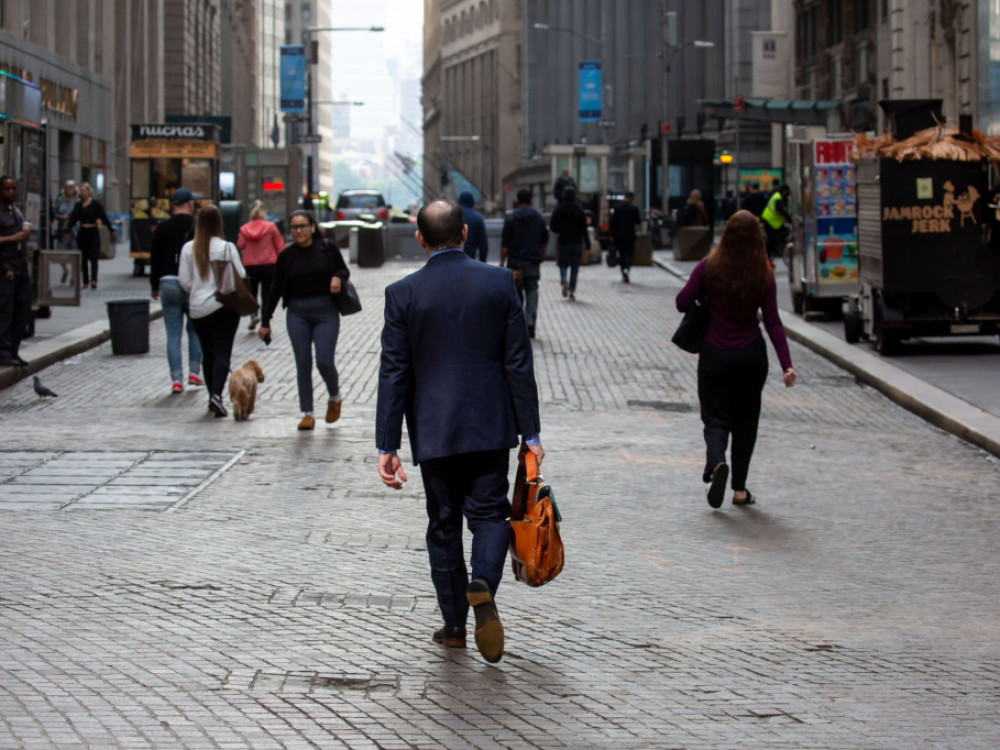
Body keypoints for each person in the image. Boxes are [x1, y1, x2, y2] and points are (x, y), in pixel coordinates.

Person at [375, 199, 543, 664]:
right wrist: (530, 434)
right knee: (489, 516)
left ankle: (453, 627)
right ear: (465, 233)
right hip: (490, 424)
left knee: (443, 524)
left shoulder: (402, 294)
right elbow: (518, 363)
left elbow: (394, 372)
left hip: (434, 428)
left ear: (419, 239)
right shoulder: (499, 282)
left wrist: (387, 442)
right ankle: (483, 582)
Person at [676, 210, 796, 509]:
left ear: (726, 235)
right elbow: (773, 322)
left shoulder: (709, 267)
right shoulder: (764, 274)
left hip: (715, 354)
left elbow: (682, 302)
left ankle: (717, 462)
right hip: (751, 356)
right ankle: (740, 490)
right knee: (746, 422)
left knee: (715, 417)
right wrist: (787, 364)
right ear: (758, 239)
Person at [258, 210, 349, 431]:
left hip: (325, 311)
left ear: (312, 227)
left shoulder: (326, 248)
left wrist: (337, 277)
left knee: (324, 361)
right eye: (294, 227)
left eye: (303, 226)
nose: (299, 231)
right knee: (303, 362)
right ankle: (307, 413)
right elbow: (275, 289)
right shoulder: (286, 256)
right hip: (297, 312)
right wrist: (265, 321)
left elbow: (343, 269)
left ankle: (334, 395)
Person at [178, 205, 244, 419]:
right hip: (223, 307)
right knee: (222, 352)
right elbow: (241, 274)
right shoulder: (226, 248)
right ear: (219, 223)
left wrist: (199, 288)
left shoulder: (188, 249)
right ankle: (217, 394)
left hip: (198, 309)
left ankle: (211, 395)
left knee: (208, 353)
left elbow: (184, 281)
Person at [150, 187, 203, 394]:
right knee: (194, 329)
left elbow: (155, 258)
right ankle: (194, 372)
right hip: (191, 283)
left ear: (173, 205)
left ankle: (176, 379)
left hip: (168, 282)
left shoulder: (163, 227)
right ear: (189, 204)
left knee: (173, 333)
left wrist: (154, 285)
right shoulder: (196, 226)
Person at [500, 189, 548, 338]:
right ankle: (530, 321)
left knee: (515, 294)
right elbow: (544, 240)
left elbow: (504, 244)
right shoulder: (539, 218)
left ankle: (519, 324)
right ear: (531, 201)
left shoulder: (510, 218)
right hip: (532, 262)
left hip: (514, 263)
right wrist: (542, 256)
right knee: (532, 290)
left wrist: (502, 261)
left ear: (517, 200)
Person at [237, 200, 284, 330]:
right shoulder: (271, 227)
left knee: (252, 292)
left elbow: (240, 245)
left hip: (250, 265)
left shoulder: (244, 228)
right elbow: (279, 245)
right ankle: (265, 318)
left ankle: (253, 315)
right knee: (267, 293)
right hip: (268, 264)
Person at [0, 176, 32, 368]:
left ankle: (13, 349)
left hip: (20, 267)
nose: (11, 192)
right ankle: (3, 351)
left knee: (22, 308)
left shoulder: (15, 210)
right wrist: (14, 238)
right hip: (5, 268)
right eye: (6, 189)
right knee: (5, 310)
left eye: (13, 188)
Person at [64, 182, 115, 290]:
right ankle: (85, 281)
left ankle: (94, 279)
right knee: (84, 258)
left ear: (89, 191)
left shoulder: (95, 204)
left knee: (94, 256)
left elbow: (103, 217)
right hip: (83, 232)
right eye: (81, 190)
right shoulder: (78, 205)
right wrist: (67, 230)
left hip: (93, 232)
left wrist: (111, 229)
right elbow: (73, 218)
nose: (82, 192)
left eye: (84, 190)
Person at [548, 187, 590, 300]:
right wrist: (588, 244)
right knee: (575, 267)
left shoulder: (558, 209)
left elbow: (552, 226)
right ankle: (572, 289)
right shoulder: (579, 209)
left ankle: (563, 277)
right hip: (576, 241)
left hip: (563, 241)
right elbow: (584, 229)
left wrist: (560, 230)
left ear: (563, 195)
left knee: (562, 263)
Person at [609, 191, 642, 284]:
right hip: (630, 234)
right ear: (631, 198)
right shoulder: (634, 209)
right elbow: (638, 221)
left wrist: (611, 234)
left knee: (622, 253)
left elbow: (613, 222)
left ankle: (623, 269)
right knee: (630, 253)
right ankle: (627, 268)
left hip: (619, 235)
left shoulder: (617, 208)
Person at [52, 180, 79, 284]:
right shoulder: (60, 200)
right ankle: (65, 270)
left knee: (74, 253)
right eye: (68, 187)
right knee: (60, 252)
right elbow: (54, 212)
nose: (69, 190)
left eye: (71, 187)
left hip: (74, 230)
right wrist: (60, 216)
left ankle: (73, 276)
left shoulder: (77, 201)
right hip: (62, 228)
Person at [761, 184, 792, 260]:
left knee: (781, 234)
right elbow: (780, 210)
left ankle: (772, 252)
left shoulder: (781, 197)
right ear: (783, 191)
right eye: (786, 191)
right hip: (769, 220)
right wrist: (788, 218)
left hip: (774, 222)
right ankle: (767, 256)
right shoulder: (778, 198)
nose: (787, 193)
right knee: (772, 239)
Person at [457, 191, 489, 262]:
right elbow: (483, 244)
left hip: (453, 257)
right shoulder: (478, 218)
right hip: (470, 256)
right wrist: (483, 260)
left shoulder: (453, 216)